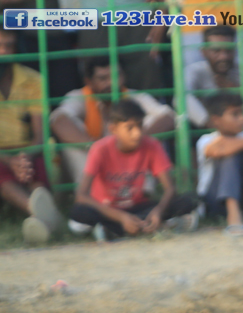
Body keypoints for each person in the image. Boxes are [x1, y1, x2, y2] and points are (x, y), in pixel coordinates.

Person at [67, 99, 198, 240]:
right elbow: (81, 195)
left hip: (137, 206)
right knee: (79, 213)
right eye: (129, 128)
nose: (137, 133)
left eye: (140, 126)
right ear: (113, 129)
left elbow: (170, 189)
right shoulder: (100, 149)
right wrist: (122, 217)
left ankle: (115, 229)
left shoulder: (152, 145)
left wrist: (158, 212)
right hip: (108, 210)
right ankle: (151, 225)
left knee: (188, 200)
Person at [50, 57, 175, 184]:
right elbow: (58, 121)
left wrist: (136, 140)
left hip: (130, 159)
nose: (111, 83)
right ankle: (90, 190)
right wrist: (96, 148)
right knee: (71, 133)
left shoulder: (134, 96)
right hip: (95, 157)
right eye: (103, 79)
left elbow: (169, 117)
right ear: (89, 81)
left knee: (151, 121)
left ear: (124, 76)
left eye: (116, 76)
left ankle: (143, 190)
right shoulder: (79, 97)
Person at [0, 28, 63, 243]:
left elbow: (40, 135)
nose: (4, 52)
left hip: (26, 149)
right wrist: (10, 160)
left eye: (9, 46)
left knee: (34, 169)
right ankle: (42, 214)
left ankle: (39, 217)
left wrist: (24, 157)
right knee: (3, 174)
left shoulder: (33, 79)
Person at [195, 92, 243, 236]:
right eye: (235, 114)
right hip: (215, 203)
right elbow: (219, 150)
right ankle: (234, 218)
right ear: (216, 120)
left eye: (242, 113)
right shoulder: (205, 140)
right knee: (229, 155)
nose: (242, 118)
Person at [184, 25, 243, 129]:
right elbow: (182, 99)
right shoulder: (195, 72)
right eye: (216, 51)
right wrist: (213, 124)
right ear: (204, 52)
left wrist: (239, 91)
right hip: (208, 130)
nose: (223, 56)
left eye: (228, 50)